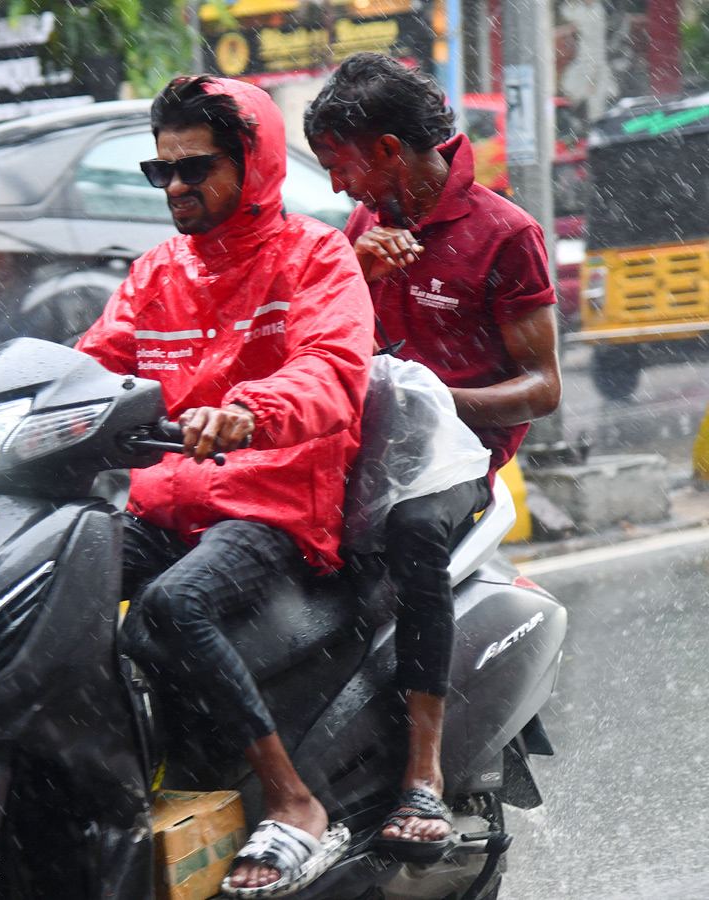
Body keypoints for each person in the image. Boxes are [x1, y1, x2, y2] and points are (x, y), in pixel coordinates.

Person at [75, 75, 374, 897]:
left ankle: (294, 802)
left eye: (195, 167)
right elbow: (86, 370)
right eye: (159, 171)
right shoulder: (155, 273)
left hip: (270, 502)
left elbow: (334, 372)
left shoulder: (316, 256)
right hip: (168, 500)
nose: (174, 186)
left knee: (174, 607)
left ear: (255, 162)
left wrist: (250, 411)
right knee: (54, 581)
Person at [303, 52, 562, 861]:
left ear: (385, 150)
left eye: (341, 166)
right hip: (364, 452)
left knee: (415, 534)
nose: (341, 189)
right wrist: (351, 269)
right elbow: (330, 343)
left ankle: (422, 772)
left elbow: (543, 386)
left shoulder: (504, 233)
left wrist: (438, 407)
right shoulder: (363, 232)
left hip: (454, 467)